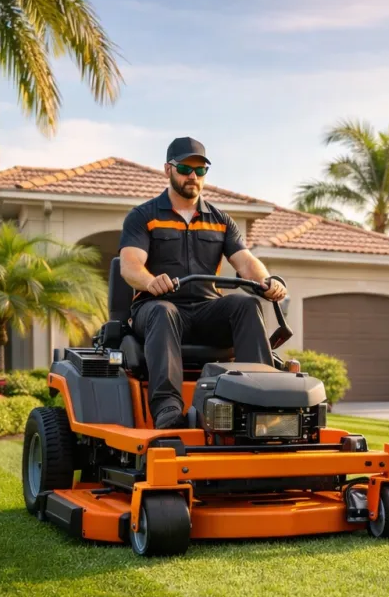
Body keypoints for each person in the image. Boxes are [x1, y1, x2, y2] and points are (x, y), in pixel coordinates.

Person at [118, 136, 288, 430]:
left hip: (206, 312)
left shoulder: (221, 220)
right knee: (163, 311)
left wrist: (267, 281)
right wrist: (150, 281)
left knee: (246, 305)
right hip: (158, 311)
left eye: (200, 170)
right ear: (167, 170)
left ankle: (262, 404)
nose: (192, 176)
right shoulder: (143, 216)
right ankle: (168, 410)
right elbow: (130, 266)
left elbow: (246, 262)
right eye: (184, 168)